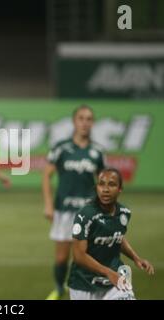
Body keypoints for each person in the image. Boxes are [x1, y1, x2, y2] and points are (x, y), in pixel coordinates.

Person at [42, 105, 105, 300]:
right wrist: (48, 204)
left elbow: (103, 181)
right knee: (62, 257)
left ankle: (85, 290)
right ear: (74, 121)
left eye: (89, 119)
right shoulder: (62, 148)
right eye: (81, 118)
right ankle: (60, 289)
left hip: (88, 212)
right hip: (64, 210)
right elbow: (46, 176)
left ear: (92, 123)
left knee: (87, 256)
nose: (85, 122)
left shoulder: (97, 151)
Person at [68, 168, 154, 300]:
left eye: (112, 184)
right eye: (101, 184)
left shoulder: (124, 213)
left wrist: (136, 258)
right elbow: (79, 255)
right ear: (97, 187)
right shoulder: (85, 215)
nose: (105, 189)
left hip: (116, 280)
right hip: (84, 285)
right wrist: (108, 273)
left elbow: (117, 237)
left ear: (120, 189)